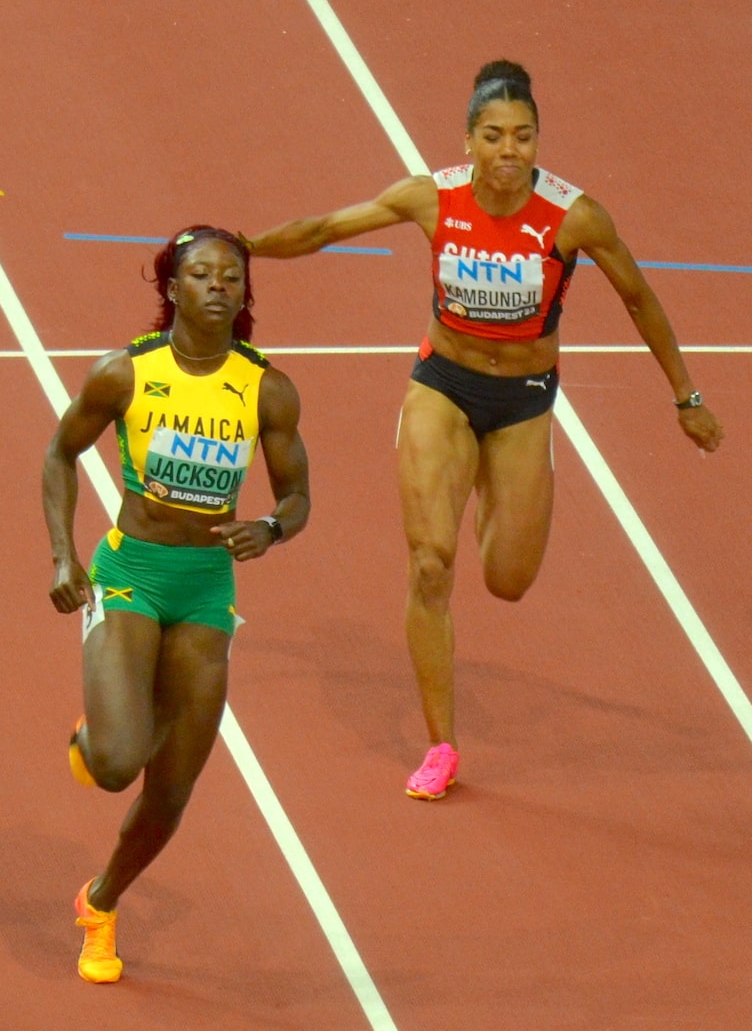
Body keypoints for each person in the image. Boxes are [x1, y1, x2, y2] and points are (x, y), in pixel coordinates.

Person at [247, 60, 723, 800]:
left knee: (506, 579)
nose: (510, 151)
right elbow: (326, 228)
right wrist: (241, 246)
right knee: (431, 564)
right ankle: (442, 746)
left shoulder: (574, 217)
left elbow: (640, 297)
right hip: (445, 385)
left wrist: (686, 395)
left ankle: (495, 487)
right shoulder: (432, 198)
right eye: (495, 135)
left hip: (525, 399)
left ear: (538, 142)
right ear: (468, 139)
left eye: (524, 137)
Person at [44, 227, 310, 983]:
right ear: (173, 288)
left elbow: (297, 496)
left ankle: (100, 903)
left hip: (206, 588)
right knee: (119, 762)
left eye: (231, 275)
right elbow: (61, 453)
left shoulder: (267, 389)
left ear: (245, 291)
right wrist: (64, 554)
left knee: (173, 790)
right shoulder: (126, 373)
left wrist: (269, 526)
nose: (218, 285)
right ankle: (99, 733)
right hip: (132, 573)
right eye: (201, 274)